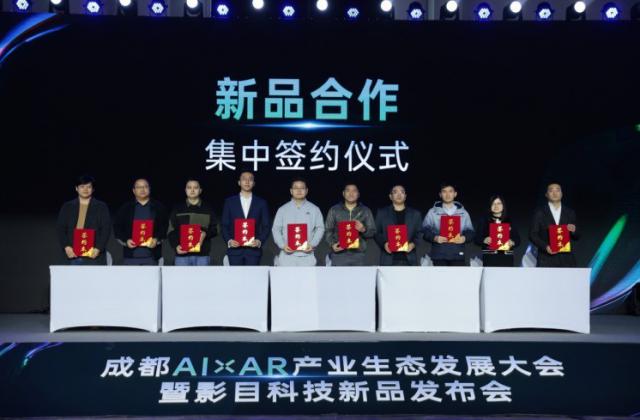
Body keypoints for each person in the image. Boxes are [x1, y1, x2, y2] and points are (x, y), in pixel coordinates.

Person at [56, 175, 111, 265]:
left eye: (89, 187)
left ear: (93, 189)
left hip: (93, 254)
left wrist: (98, 248)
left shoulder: (101, 207)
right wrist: (66, 247)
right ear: (76, 188)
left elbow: (106, 229)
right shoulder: (67, 206)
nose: (85, 189)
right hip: (72, 253)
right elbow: (60, 228)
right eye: (82, 186)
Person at [113, 178, 168, 266]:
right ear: (134, 191)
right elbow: (117, 228)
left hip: (152, 257)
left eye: (145, 186)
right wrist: (126, 241)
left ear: (149, 189)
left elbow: (164, 227)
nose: (142, 189)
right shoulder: (126, 208)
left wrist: (156, 239)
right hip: (130, 257)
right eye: (139, 187)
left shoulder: (158, 207)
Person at [271, 178, 325, 266]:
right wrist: (282, 245)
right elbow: (276, 229)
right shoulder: (282, 209)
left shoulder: (314, 209)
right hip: (287, 255)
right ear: (291, 191)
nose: (299, 190)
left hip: (307, 255)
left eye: (302, 188)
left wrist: (313, 244)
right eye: (296, 188)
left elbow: (320, 228)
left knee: (307, 276)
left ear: (306, 191)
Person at [221, 171, 270, 265]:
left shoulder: (261, 203)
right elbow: (224, 225)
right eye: (244, 179)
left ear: (254, 183)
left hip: (253, 251)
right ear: (239, 182)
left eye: (250, 179)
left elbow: (266, 226)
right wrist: (229, 241)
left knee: (252, 275)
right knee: (235, 275)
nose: (247, 182)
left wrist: (259, 241)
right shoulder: (229, 202)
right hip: (234, 251)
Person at [167, 178, 218, 266]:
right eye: (189, 187)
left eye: (196, 187)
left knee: (202, 276)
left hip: (202, 256)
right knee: (181, 276)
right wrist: (176, 246)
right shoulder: (177, 209)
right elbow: (170, 231)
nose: (192, 190)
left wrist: (205, 233)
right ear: (185, 190)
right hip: (182, 255)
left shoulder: (208, 209)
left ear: (200, 190)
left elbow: (216, 229)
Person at [422, 183, 474, 266]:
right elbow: (425, 231)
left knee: (458, 274)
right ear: (440, 194)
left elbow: (470, 232)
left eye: (450, 191)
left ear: (455, 194)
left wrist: (464, 238)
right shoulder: (432, 212)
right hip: (439, 254)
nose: (447, 194)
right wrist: (435, 238)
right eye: (444, 191)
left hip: (458, 253)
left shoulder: (463, 213)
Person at [529, 182, 580, 267]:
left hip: (567, 259)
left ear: (562, 194)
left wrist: (574, 230)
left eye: (557, 190)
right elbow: (532, 234)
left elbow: (578, 235)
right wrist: (546, 247)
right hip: (546, 258)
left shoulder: (570, 212)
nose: (555, 193)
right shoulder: (539, 213)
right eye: (551, 191)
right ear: (546, 195)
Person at [324, 183, 376, 266]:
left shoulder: (365, 211)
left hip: (359, 254)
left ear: (358, 194)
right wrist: (332, 244)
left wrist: (363, 229)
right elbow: (328, 230)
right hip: (339, 254)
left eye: (354, 191)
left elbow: (372, 232)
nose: (351, 193)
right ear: (343, 193)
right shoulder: (334, 210)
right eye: (348, 190)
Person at [374, 185, 423, 266]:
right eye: (395, 192)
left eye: (402, 192)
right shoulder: (382, 213)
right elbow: (376, 233)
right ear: (390, 196)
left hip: (409, 259)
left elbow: (420, 233)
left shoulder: (415, 214)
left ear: (405, 196)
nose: (399, 194)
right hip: (388, 259)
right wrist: (384, 244)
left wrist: (413, 244)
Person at [474, 195, 520, 267]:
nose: (496, 206)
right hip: (490, 258)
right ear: (490, 206)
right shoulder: (484, 221)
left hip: (506, 258)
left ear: (503, 206)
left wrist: (512, 242)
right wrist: (484, 240)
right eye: (493, 204)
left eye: (499, 203)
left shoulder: (510, 220)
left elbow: (518, 240)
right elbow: (476, 239)